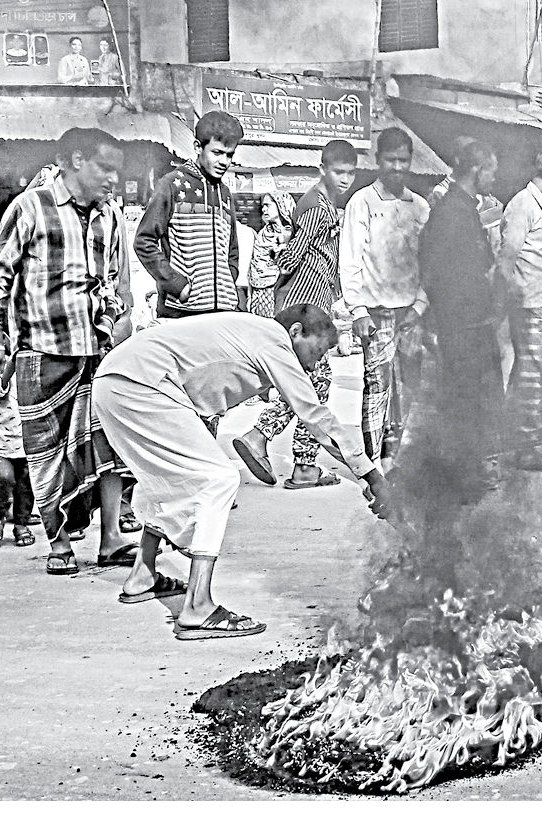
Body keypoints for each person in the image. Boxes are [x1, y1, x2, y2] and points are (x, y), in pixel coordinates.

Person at [94, 305, 391, 639]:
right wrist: (372, 476)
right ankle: (197, 607)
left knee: (169, 479)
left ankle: (143, 575)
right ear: (295, 332)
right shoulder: (274, 342)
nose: (315, 364)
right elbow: (315, 416)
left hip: (116, 381)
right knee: (218, 480)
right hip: (140, 384)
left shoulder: (251, 333)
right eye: (317, 352)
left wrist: (365, 478)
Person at [0, 127, 134, 575]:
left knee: (106, 445)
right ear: (77, 161)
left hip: (96, 350)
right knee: (45, 453)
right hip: (41, 350)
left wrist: (113, 322)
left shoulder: (110, 217)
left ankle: (110, 539)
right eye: (106, 168)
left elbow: (109, 282)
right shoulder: (30, 207)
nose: (113, 179)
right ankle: (59, 544)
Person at [235, 139, 356, 489]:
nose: (345, 179)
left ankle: (296, 460)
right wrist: (285, 260)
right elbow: (291, 257)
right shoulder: (317, 206)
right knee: (311, 384)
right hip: (305, 305)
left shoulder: (323, 203)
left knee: (310, 383)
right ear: (323, 169)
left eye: (350, 173)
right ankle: (274, 446)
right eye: (338, 172)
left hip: (312, 303)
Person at [338, 127, 429, 467]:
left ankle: (402, 459)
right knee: (377, 386)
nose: (397, 167)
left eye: (403, 160)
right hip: (376, 312)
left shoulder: (419, 206)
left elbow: (430, 262)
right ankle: (373, 465)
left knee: (411, 387)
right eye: (391, 160)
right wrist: (358, 310)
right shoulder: (361, 202)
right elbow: (350, 259)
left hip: (411, 311)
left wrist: (421, 305)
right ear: (378, 161)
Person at [418, 139, 505, 497]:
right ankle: (463, 478)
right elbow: (436, 268)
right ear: (476, 170)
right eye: (491, 171)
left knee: (479, 399)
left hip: (474, 321)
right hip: (462, 324)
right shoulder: (451, 212)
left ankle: (474, 469)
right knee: (466, 401)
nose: (494, 178)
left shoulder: (466, 208)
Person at [496, 148, 542, 471]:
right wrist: (510, 299)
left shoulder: (541, 206)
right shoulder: (522, 205)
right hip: (531, 304)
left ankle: (538, 442)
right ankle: (527, 447)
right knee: (531, 378)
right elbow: (507, 258)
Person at [135, 111, 242, 320]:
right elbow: (144, 241)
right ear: (197, 147)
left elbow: (232, 250)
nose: (224, 161)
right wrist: (176, 284)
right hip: (180, 312)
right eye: (217, 153)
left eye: (229, 155)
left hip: (222, 312)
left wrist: (228, 283)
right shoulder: (172, 184)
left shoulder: (225, 194)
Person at [0, 354, 35, 548]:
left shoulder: (29, 357)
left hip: (27, 435)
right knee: (3, 477)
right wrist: (7, 370)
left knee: (25, 483)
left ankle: (21, 523)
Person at [242, 192, 294, 318]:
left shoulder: (293, 235)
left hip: (283, 291)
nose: (264, 209)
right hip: (259, 294)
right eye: (262, 206)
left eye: (268, 205)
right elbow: (254, 266)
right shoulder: (262, 235)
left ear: (281, 205)